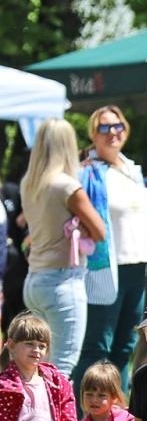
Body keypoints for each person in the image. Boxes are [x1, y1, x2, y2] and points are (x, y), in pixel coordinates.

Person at [79, 105, 147, 387]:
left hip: (139, 268)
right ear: (93, 134)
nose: (112, 132)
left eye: (118, 126)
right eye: (104, 127)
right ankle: (86, 408)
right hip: (105, 269)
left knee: (126, 346)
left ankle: (117, 407)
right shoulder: (87, 173)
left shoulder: (132, 169)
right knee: (98, 345)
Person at [20, 119, 105, 375]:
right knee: (61, 368)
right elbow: (100, 231)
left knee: (38, 368)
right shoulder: (67, 186)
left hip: (35, 280)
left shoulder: (29, 183)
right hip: (62, 282)